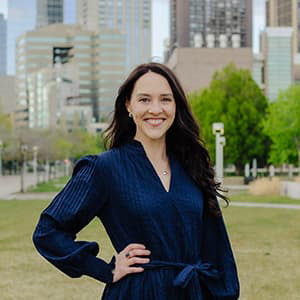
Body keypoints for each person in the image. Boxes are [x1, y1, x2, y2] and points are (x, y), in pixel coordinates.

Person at [33, 62, 239, 299]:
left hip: (192, 291)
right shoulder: (105, 168)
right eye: (144, 100)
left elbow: (217, 249)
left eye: (165, 99)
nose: (155, 109)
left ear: (176, 106)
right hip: (137, 292)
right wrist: (104, 269)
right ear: (128, 105)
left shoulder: (193, 166)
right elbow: (48, 232)